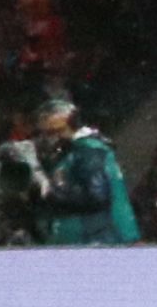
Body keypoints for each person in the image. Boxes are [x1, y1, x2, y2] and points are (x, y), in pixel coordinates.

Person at [27, 93, 138, 247]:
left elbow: (97, 196)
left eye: (54, 132)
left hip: (100, 241)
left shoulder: (88, 151)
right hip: (84, 242)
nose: (49, 139)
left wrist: (49, 193)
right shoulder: (70, 153)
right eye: (44, 133)